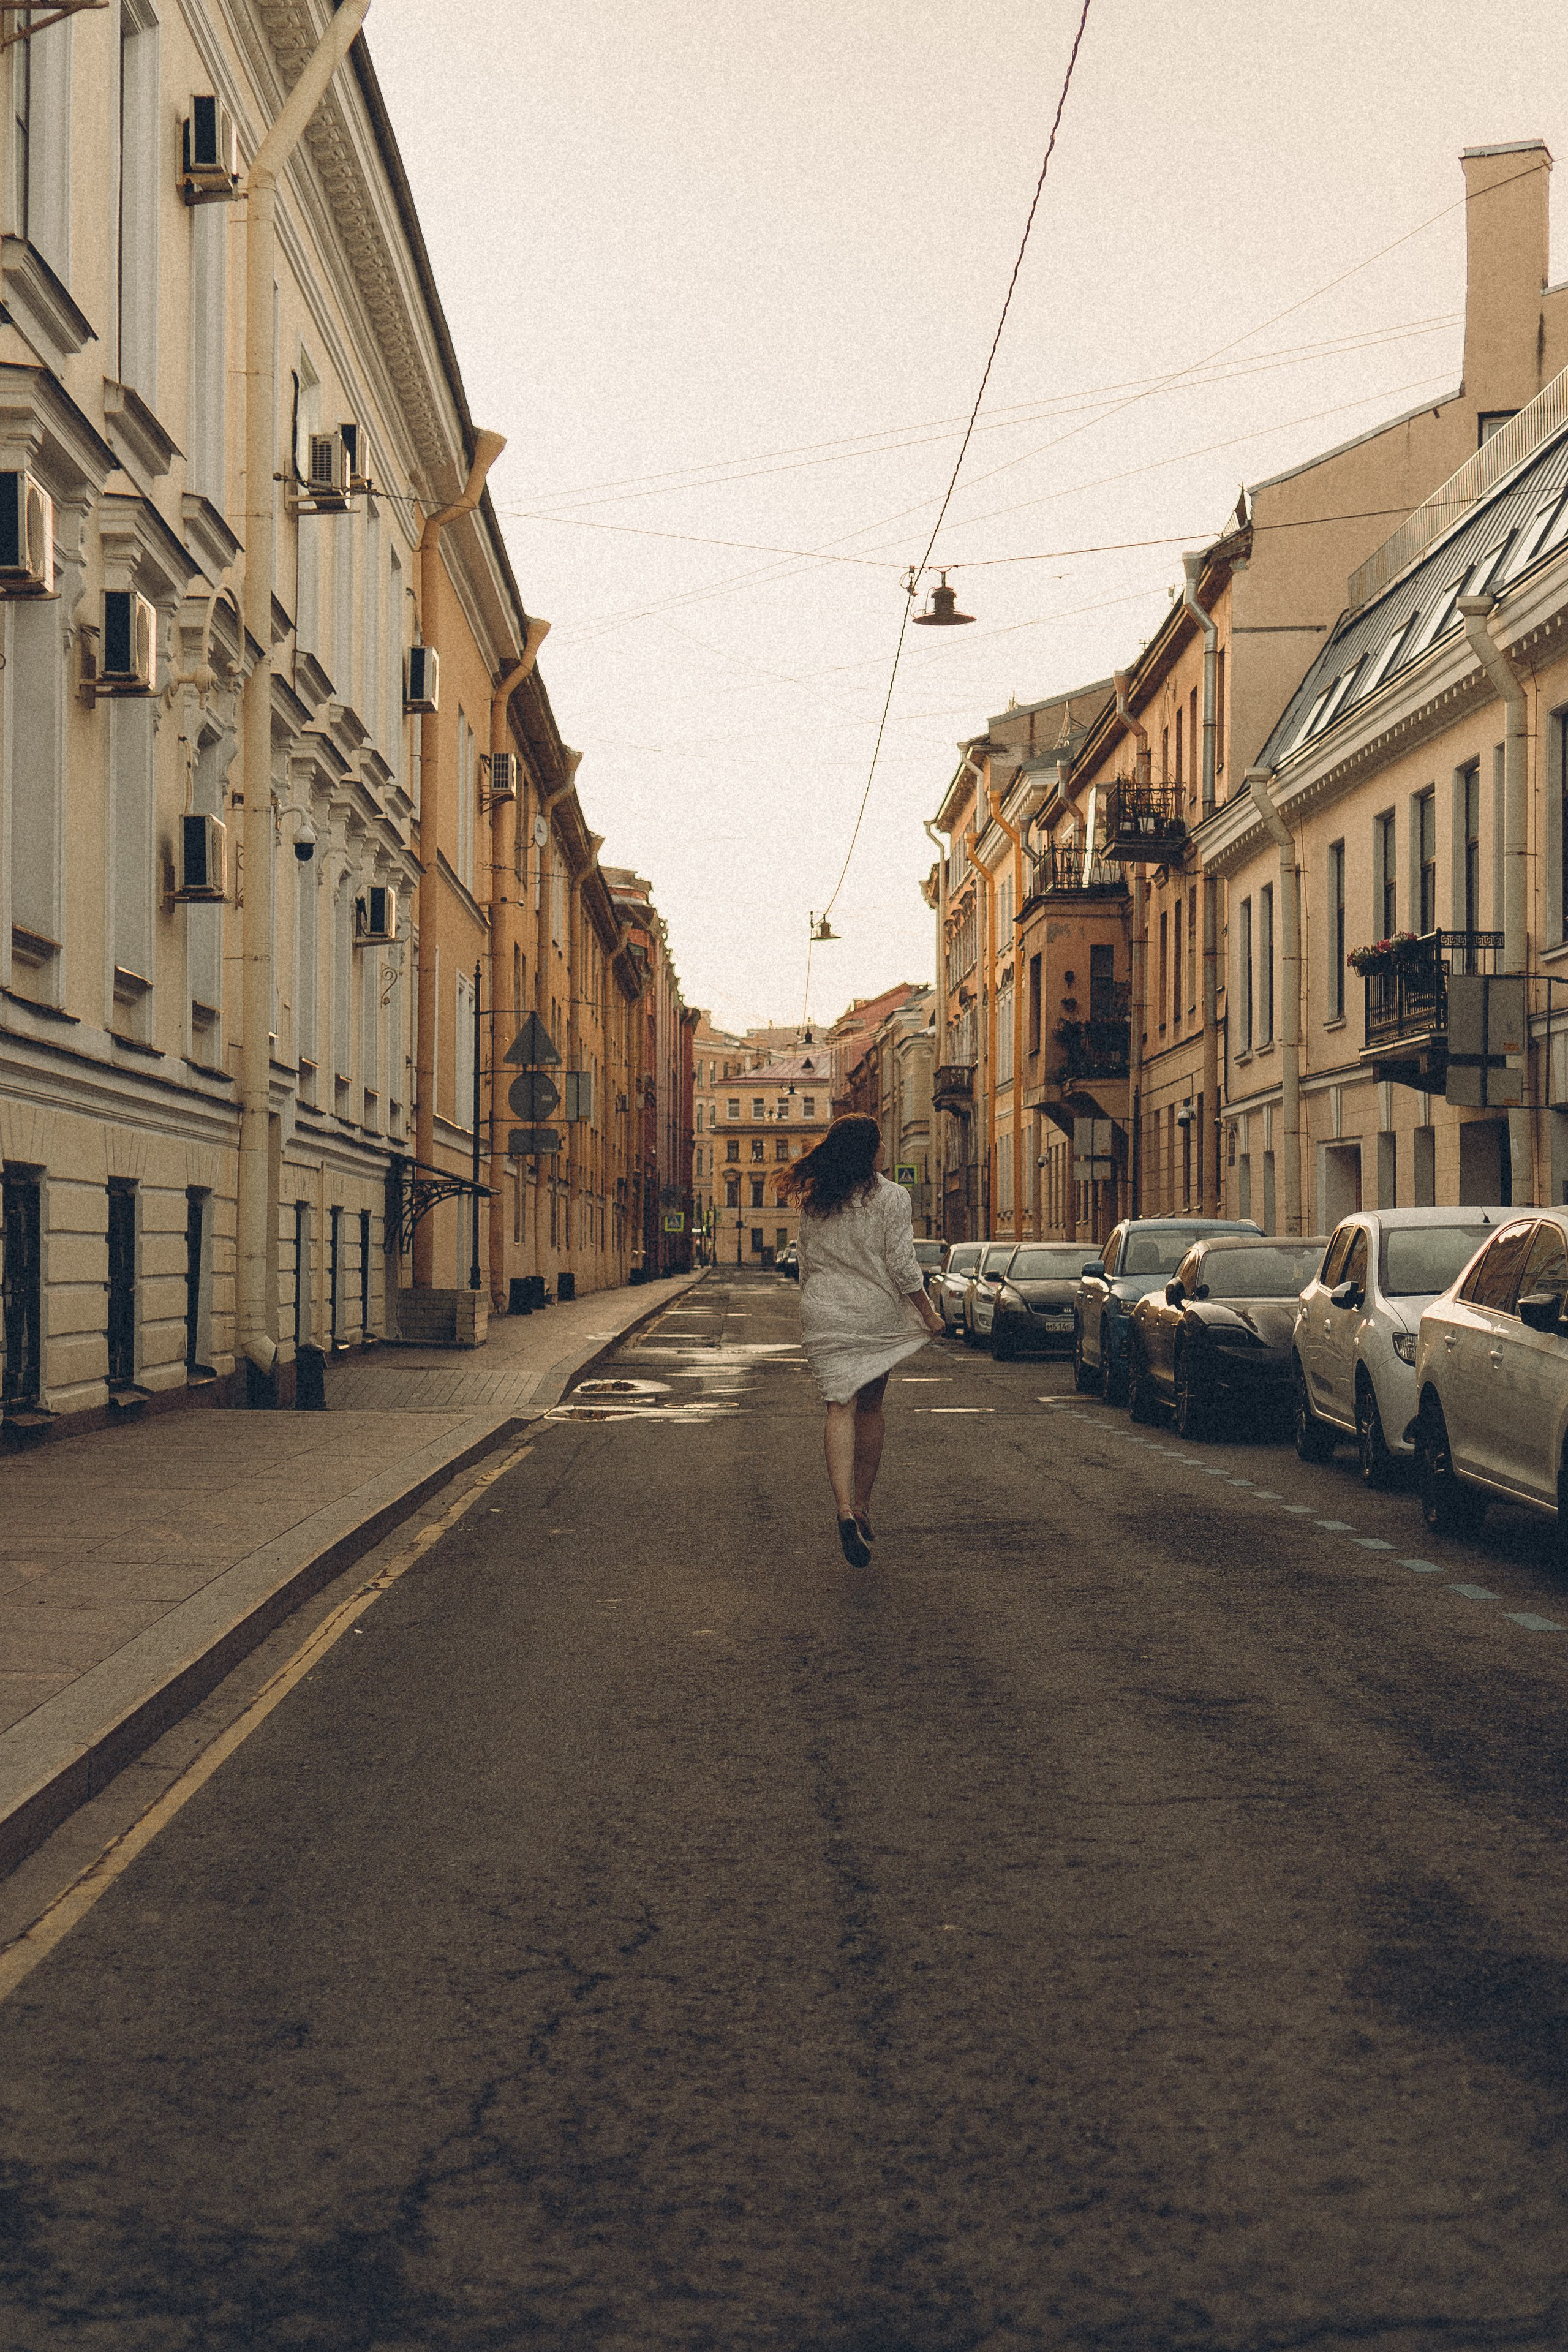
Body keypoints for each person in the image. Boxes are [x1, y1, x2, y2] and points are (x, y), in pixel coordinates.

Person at [783, 1114, 944, 1567]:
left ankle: (841, 1510)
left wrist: (816, 1304)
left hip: (823, 1312)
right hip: (873, 1313)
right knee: (870, 1407)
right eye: (880, 1142)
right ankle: (862, 1505)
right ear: (870, 1150)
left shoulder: (816, 1201)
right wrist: (927, 1312)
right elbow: (901, 1264)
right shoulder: (892, 1197)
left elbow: (805, 1263)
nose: (885, 1149)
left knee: (839, 1407)